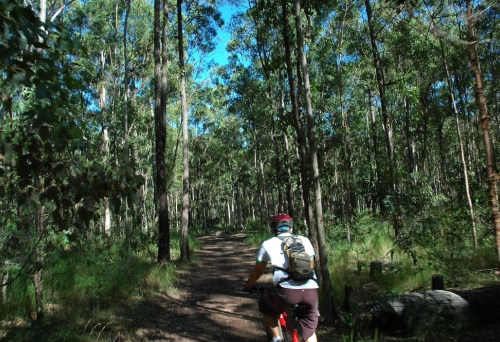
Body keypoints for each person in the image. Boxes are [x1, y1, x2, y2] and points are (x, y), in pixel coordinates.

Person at [243, 213, 319, 342]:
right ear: (291, 228)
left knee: (265, 304)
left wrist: (248, 286)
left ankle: (277, 338)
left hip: (286, 292)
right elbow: (311, 264)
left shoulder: (268, 244)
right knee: (310, 330)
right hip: (311, 291)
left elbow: (257, 271)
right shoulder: (304, 240)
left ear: (273, 229)